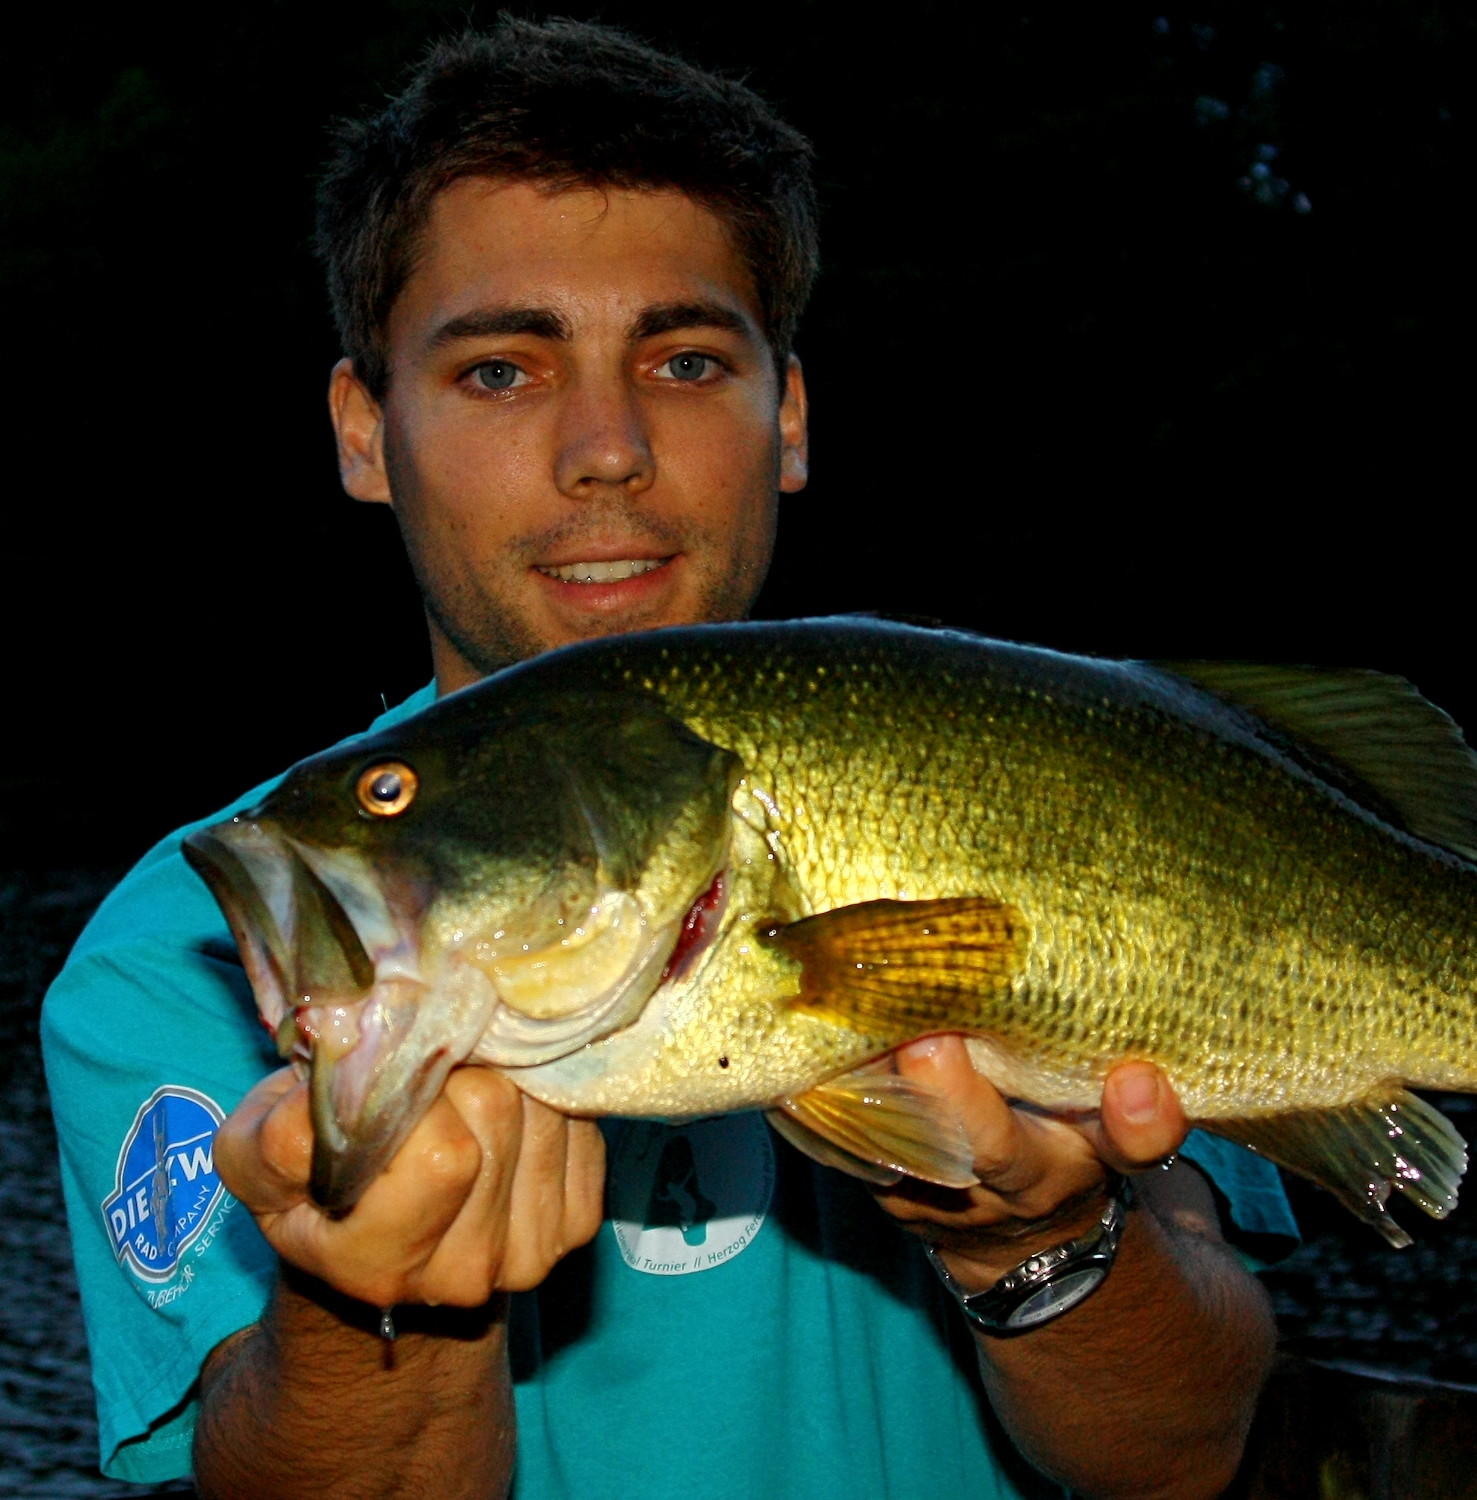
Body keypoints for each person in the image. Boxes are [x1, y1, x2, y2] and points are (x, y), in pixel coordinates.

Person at [41, 19, 1293, 1500]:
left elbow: (1177, 1453)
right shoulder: (173, 959)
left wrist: (1031, 1243)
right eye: (502, 371)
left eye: (687, 359)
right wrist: (380, 1296)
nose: (608, 448)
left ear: (791, 417)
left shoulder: (1056, 784)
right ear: (367, 433)